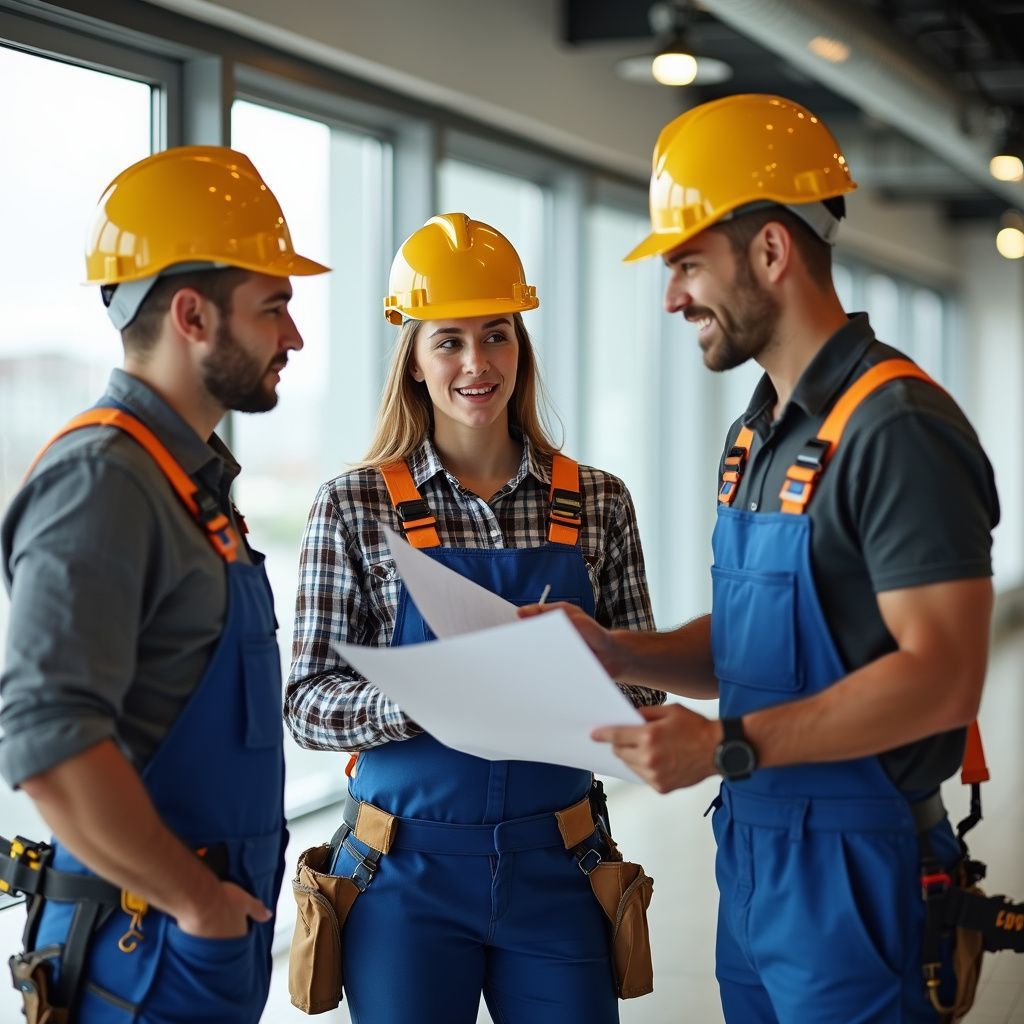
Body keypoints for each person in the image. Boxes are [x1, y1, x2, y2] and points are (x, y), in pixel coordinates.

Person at [522, 94, 1000, 1023]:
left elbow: (943, 679)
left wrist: (726, 744)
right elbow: (757, 645)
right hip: (754, 849)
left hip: (857, 866)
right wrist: (621, 651)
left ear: (773, 252)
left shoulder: (895, 428)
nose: (671, 296)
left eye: (689, 264)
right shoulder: (761, 433)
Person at [286, 212, 662, 1024]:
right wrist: (419, 700)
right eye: (448, 340)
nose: (476, 363)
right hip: (400, 875)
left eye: (496, 335)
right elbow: (306, 705)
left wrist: (579, 680)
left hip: (559, 865)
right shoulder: (354, 506)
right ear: (414, 360)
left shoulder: (598, 501)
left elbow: (649, 695)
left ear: (520, 347)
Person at [0, 145, 329, 1022]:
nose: (293, 337)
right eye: (274, 308)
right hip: (141, 949)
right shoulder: (104, 480)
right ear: (192, 315)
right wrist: (198, 904)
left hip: (190, 939)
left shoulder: (186, 479)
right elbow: (48, 744)